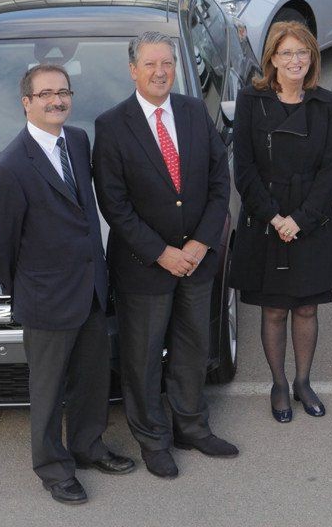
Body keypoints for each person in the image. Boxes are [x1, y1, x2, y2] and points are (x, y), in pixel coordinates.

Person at [0, 64, 135, 506]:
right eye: (46, 93)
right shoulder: (11, 167)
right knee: (47, 390)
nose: (57, 100)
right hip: (46, 298)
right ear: (26, 102)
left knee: (91, 377)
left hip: (89, 288)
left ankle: (88, 446)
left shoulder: (78, 140)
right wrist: (23, 289)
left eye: (63, 92)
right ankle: (52, 467)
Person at [92, 31, 237, 480]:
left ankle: (191, 426)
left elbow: (219, 183)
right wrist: (161, 253)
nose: (160, 72)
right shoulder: (112, 125)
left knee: (194, 347)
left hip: (196, 262)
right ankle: (153, 439)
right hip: (144, 267)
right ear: (133, 70)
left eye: (168, 64)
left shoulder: (194, 113)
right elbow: (113, 204)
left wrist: (198, 244)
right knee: (143, 355)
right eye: (151, 64)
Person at [229, 21, 332, 423]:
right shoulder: (250, 100)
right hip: (266, 219)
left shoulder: (327, 104)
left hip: (311, 220)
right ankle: (279, 384)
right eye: (287, 53)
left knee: (307, 308)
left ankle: (303, 381)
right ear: (272, 59)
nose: (295, 60)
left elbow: (331, 170)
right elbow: (243, 169)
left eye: (302, 52)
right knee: (274, 310)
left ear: (311, 57)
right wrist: (276, 218)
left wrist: (301, 219)